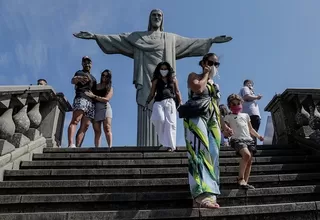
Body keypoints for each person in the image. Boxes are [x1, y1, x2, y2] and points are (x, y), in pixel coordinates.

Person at [73, 9, 232, 147]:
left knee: (168, 117)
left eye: (159, 15)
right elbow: (118, 39)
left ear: (162, 20)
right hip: (146, 78)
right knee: (151, 111)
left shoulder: (170, 38)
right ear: (149, 19)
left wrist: (211, 41)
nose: (156, 17)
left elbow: (191, 43)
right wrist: (95, 36)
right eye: (154, 15)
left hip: (166, 84)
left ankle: (168, 145)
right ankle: (151, 145)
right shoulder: (138, 37)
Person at [184, 53, 233, 208]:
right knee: (199, 152)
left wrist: (224, 125)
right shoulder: (194, 76)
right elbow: (198, 88)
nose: (213, 66)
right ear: (203, 63)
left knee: (213, 154)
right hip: (196, 115)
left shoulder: (216, 86)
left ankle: (211, 193)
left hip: (213, 119)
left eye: (216, 64)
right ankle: (200, 193)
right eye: (210, 62)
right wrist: (205, 73)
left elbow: (217, 106)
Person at [224, 94, 264, 189]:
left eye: (238, 103)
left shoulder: (245, 116)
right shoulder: (228, 117)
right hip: (237, 140)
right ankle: (240, 179)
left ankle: (245, 182)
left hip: (248, 139)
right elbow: (225, 130)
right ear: (229, 106)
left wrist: (258, 136)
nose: (236, 106)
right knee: (246, 155)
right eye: (233, 104)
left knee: (249, 161)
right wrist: (227, 132)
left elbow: (250, 129)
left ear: (241, 104)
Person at [145, 61, 182, 152]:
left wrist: (180, 101)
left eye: (165, 69)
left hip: (170, 101)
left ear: (168, 70)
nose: (163, 70)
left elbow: (177, 91)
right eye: (162, 69)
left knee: (170, 123)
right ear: (159, 70)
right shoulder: (156, 80)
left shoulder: (173, 79)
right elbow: (152, 93)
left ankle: (170, 145)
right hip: (159, 102)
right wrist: (147, 102)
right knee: (159, 119)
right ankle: (164, 142)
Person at [67, 56, 97, 148]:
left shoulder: (94, 78)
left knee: (86, 126)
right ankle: (71, 144)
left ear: (91, 64)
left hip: (91, 103)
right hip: (81, 98)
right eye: (85, 62)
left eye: (88, 62)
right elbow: (73, 80)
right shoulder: (79, 72)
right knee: (75, 120)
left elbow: (95, 91)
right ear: (82, 63)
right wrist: (79, 78)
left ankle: (78, 146)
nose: (87, 63)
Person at [85, 70, 113, 148]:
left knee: (107, 127)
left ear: (109, 78)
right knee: (97, 130)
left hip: (105, 108)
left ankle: (110, 147)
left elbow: (106, 99)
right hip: (95, 108)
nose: (104, 77)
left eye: (106, 76)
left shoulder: (110, 88)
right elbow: (88, 93)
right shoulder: (96, 86)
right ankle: (97, 148)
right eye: (103, 75)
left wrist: (94, 96)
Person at [239, 79, 262, 145]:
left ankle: (252, 147)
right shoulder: (245, 88)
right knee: (252, 131)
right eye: (251, 84)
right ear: (247, 83)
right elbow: (246, 97)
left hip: (251, 114)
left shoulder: (248, 90)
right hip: (251, 114)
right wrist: (257, 97)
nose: (251, 86)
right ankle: (252, 147)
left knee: (252, 132)